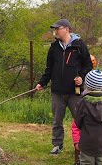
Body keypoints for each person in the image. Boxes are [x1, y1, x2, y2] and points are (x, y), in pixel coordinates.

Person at [35, 18, 92, 155]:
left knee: (80, 118)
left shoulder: (79, 45)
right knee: (57, 120)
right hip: (57, 92)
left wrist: (81, 77)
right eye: (54, 29)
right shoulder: (53, 48)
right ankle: (57, 145)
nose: (55, 31)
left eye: (57, 28)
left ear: (66, 29)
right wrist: (42, 82)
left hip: (75, 91)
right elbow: (49, 68)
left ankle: (83, 144)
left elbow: (88, 66)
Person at [70, 54, 98, 165]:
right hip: (85, 141)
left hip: (100, 141)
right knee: (84, 160)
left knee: (100, 163)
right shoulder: (82, 103)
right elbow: (76, 125)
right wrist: (77, 141)